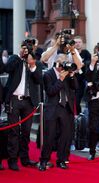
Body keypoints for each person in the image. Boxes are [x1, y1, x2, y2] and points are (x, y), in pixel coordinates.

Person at [4, 42, 43, 171]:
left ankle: (25, 158)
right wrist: (21, 57)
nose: (26, 51)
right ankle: (12, 160)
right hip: (15, 100)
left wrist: (32, 65)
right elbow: (7, 69)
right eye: (24, 48)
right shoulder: (15, 59)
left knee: (26, 132)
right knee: (13, 131)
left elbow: (38, 80)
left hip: (28, 101)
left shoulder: (35, 63)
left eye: (29, 48)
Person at [38, 54, 78, 171]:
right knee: (49, 136)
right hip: (52, 108)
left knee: (64, 137)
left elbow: (75, 87)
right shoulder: (48, 74)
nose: (64, 65)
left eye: (66, 62)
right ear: (57, 63)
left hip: (65, 108)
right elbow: (50, 91)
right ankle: (44, 160)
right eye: (62, 62)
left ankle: (61, 160)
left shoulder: (68, 73)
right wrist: (60, 79)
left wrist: (71, 76)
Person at [74, 36, 91, 114]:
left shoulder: (86, 53)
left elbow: (89, 62)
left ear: (82, 44)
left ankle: (79, 117)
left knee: (78, 100)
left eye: (79, 42)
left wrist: (82, 64)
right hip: (72, 80)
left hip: (82, 80)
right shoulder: (71, 53)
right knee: (73, 100)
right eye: (76, 42)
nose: (77, 44)